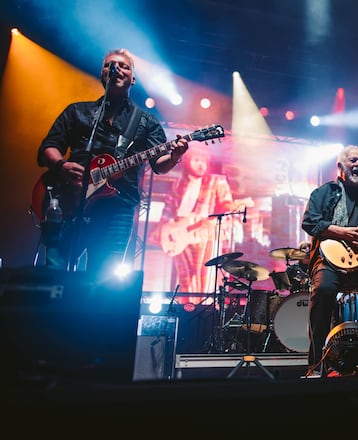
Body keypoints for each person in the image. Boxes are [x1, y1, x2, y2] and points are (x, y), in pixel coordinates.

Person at [36, 48, 189, 278]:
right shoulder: (77, 111)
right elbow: (48, 147)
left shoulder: (145, 122)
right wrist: (61, 166)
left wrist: (175, 156)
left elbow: (159, 164)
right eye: (110, 65)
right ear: (102, 74)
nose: (116, 69)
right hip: (69, 201)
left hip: (116, 209)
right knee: (54, 275)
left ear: (133, 79)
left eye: (124, 66)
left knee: (102, 279)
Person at [300, 145, 358, 376]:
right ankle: (315, 363)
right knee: (323, 291)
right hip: (329, 261)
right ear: (340, 166)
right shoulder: (323, 193)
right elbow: (309, 223)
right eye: (353, 160)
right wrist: (339, 232)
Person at [160, 144, 251, 298]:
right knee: (184, 277)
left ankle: (204, 307)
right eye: (196, 160)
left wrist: (236, 206)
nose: (201, 164)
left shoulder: (216, 182)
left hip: (204, 232)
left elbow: (226, 205)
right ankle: (185, 308)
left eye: (204, 160)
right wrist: (166, 230)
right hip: (179, 234)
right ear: (188, 161)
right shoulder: (177, 184)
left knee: (204, 275)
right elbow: (168, 210)